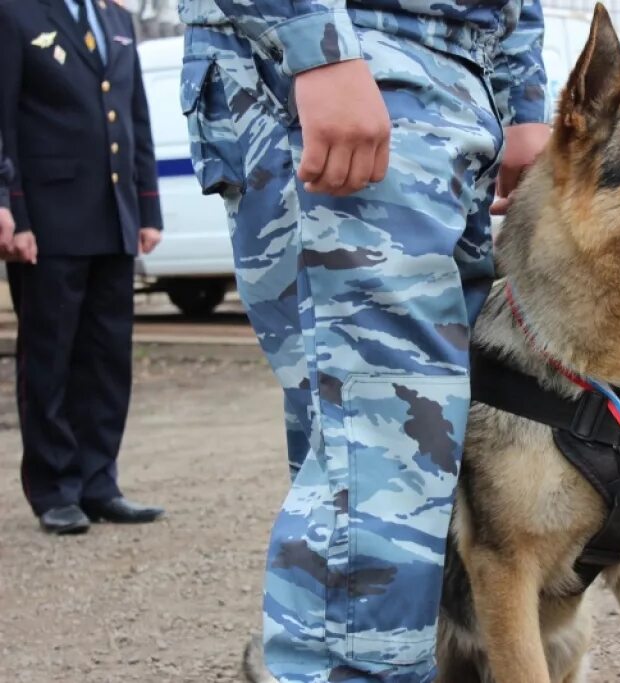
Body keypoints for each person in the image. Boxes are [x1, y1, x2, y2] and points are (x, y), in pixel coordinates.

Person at [179, 0, 550, 679]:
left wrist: (522, 95)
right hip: (356, 56)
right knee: (384, 454)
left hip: (460, 82)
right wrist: (313, 41)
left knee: (420, 451)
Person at [0, 0, 166, 534]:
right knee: (50, 359)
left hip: (113, 216)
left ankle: (99, 483)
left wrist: (147, 208)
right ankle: (55, 489)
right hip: (48, 220)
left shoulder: (116, 18)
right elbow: (4, 118)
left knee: (107, 359)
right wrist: (13, 210)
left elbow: (135, 117)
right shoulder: (16, 14)